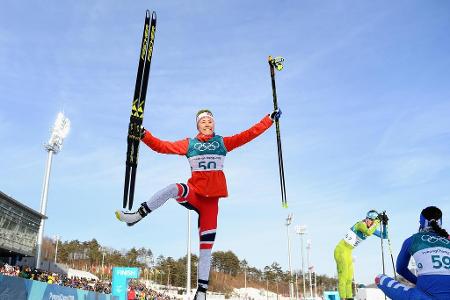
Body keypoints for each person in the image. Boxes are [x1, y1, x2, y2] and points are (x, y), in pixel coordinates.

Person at [116, 108, 281, 300]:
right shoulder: (190, 144)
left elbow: (248, 134)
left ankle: (201, 291)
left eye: (210, 121)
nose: (207, 124)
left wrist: (269, 119)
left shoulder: (222, 143)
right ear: (198, 125)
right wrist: (143, 134)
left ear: (214, 124)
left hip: (211, 203)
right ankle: (137, 215)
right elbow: (162, 146)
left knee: (206, 248)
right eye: (203, 122)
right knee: (174, 188)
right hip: (195, 193)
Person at [376, 206, 450, 300]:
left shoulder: (411, 240)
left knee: (379, 278)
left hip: (424, 295)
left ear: (422, 223)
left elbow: (400, 269)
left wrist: (417, 281)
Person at [334, 210, 388, 300]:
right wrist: (378, 221)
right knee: (343, 276)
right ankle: (342, 298)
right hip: (341, 250)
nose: (371, 224)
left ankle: (349, 297)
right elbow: (368, 232)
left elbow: (384, 236)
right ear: (367, 219)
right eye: (372, 221)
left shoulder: (371, 228)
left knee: (349, 278)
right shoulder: (360, 224)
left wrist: (384, 224)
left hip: (348, 251)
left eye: (373, 222)